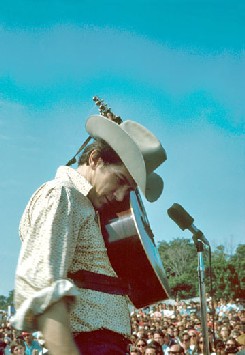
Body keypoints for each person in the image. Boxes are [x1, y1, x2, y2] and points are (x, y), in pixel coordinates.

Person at [11, 114, 167, 355]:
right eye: (119, 180)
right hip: (88, 344)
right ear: (95, 158)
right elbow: (42, 288)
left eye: (128, 190)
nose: (118, 196)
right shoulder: (62, 194)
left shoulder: (90, 207)